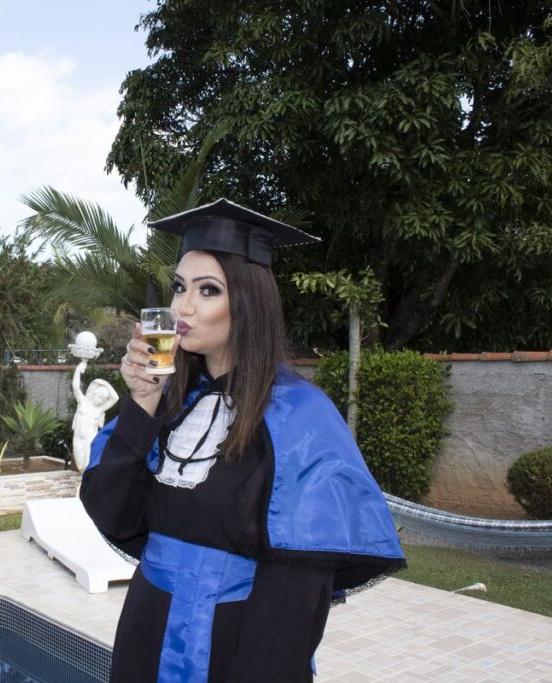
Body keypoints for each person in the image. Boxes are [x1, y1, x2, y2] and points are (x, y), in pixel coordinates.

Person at [80, 199, 406, 683]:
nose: (183, 307)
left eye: (208, 290)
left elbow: (297, 592)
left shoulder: (302, 416)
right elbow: (114, 514)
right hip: (147, 628)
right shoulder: (168, 402)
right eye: (179, 287)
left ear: (249, 303)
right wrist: (143, 403)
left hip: (241, 643)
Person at [72, 359, 121, 472]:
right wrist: (78, 370)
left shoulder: (100, 409)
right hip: (78, 438)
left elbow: (115, 398)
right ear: (94, 393)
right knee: (80, 465)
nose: (101, 400)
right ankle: (84, 479)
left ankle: (87, 480)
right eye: (100, 396)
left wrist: (103, 383)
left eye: (104, 399)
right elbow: (75, 387)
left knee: (89, 464)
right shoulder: (82, 402)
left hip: (91, 439)